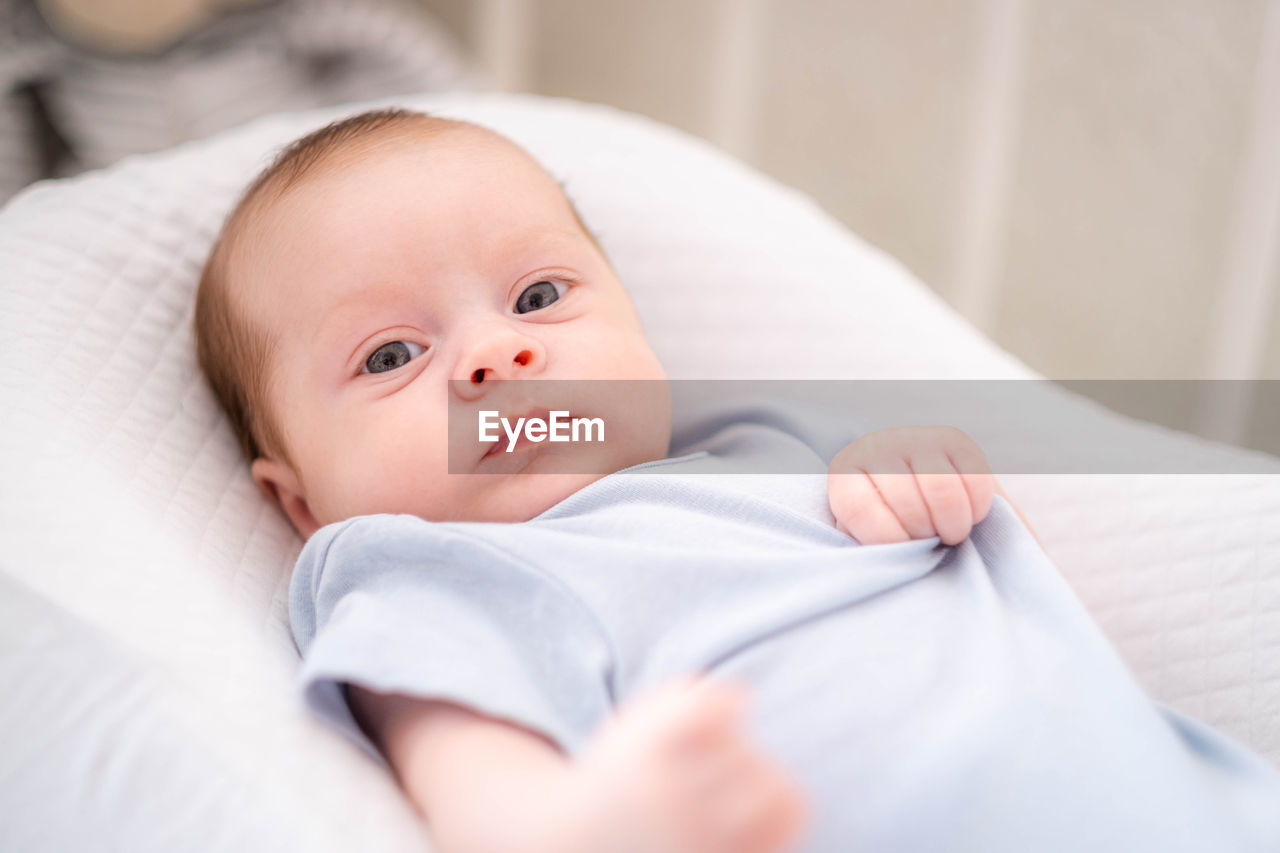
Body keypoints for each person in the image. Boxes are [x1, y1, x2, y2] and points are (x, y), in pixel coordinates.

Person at [195, 108, 1280, 853]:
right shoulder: (432, 571)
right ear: (300, 504)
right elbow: (475, 787)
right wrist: (589, 830)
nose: (493, 359)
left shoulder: (770, 443)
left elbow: (1000, 570)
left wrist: (925, 475)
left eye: (536, 298)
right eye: (390, 356)